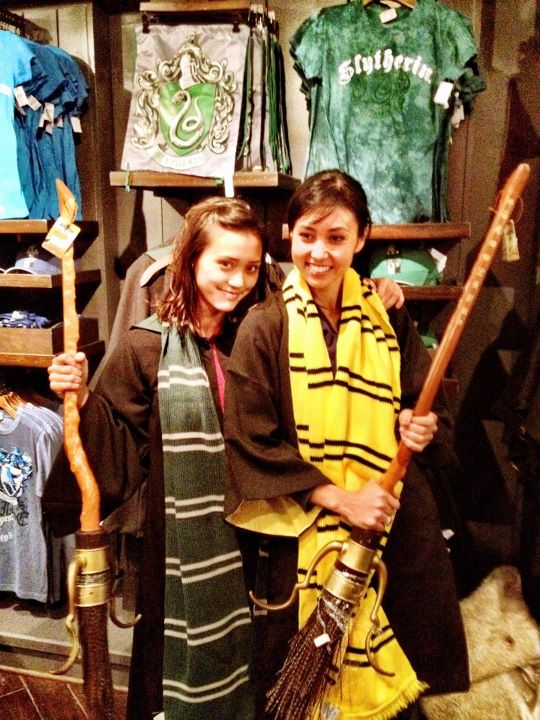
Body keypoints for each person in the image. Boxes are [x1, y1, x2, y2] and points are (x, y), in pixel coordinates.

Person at [44, 193, 405, 720]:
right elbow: (116, 440)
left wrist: (382, 290)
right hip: (181, 552)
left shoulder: (267, 333)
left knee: (259, 671)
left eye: (251, 268)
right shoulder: (146, 347)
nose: (237, 281)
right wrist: (79, 396)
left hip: (265, 541)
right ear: (191, 261)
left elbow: (329, 297)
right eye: (225, 264)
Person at [224, 170, 469, 720]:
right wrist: (340, 498)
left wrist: (417, 425)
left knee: (399, 681)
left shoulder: (387, 313)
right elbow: (250, 437)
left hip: (389, 523)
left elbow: (419, 401)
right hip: (303, 534)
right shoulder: (265, 326)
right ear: (288, 235)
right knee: (299, 691)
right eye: (308, 235)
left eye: (336, 238)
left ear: (362, 239)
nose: (319, 253)